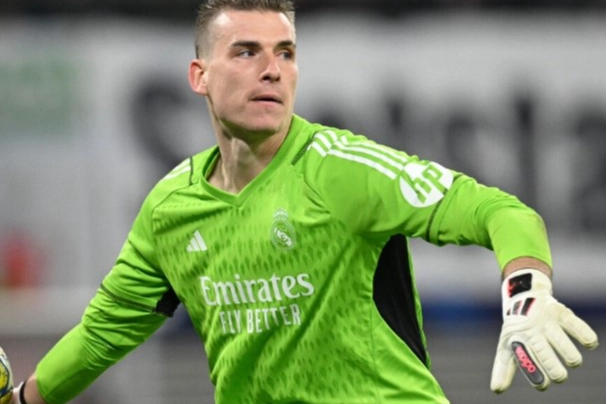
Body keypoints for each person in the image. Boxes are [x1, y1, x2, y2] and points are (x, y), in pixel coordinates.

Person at [5, 0, 599, 403]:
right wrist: (25, 399)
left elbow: (501, 211)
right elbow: (103, 333)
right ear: (199, 75)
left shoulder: (340, 170)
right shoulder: (170, 208)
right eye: (246, 52)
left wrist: (526, 289)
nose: (272, 70)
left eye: (285, 53)